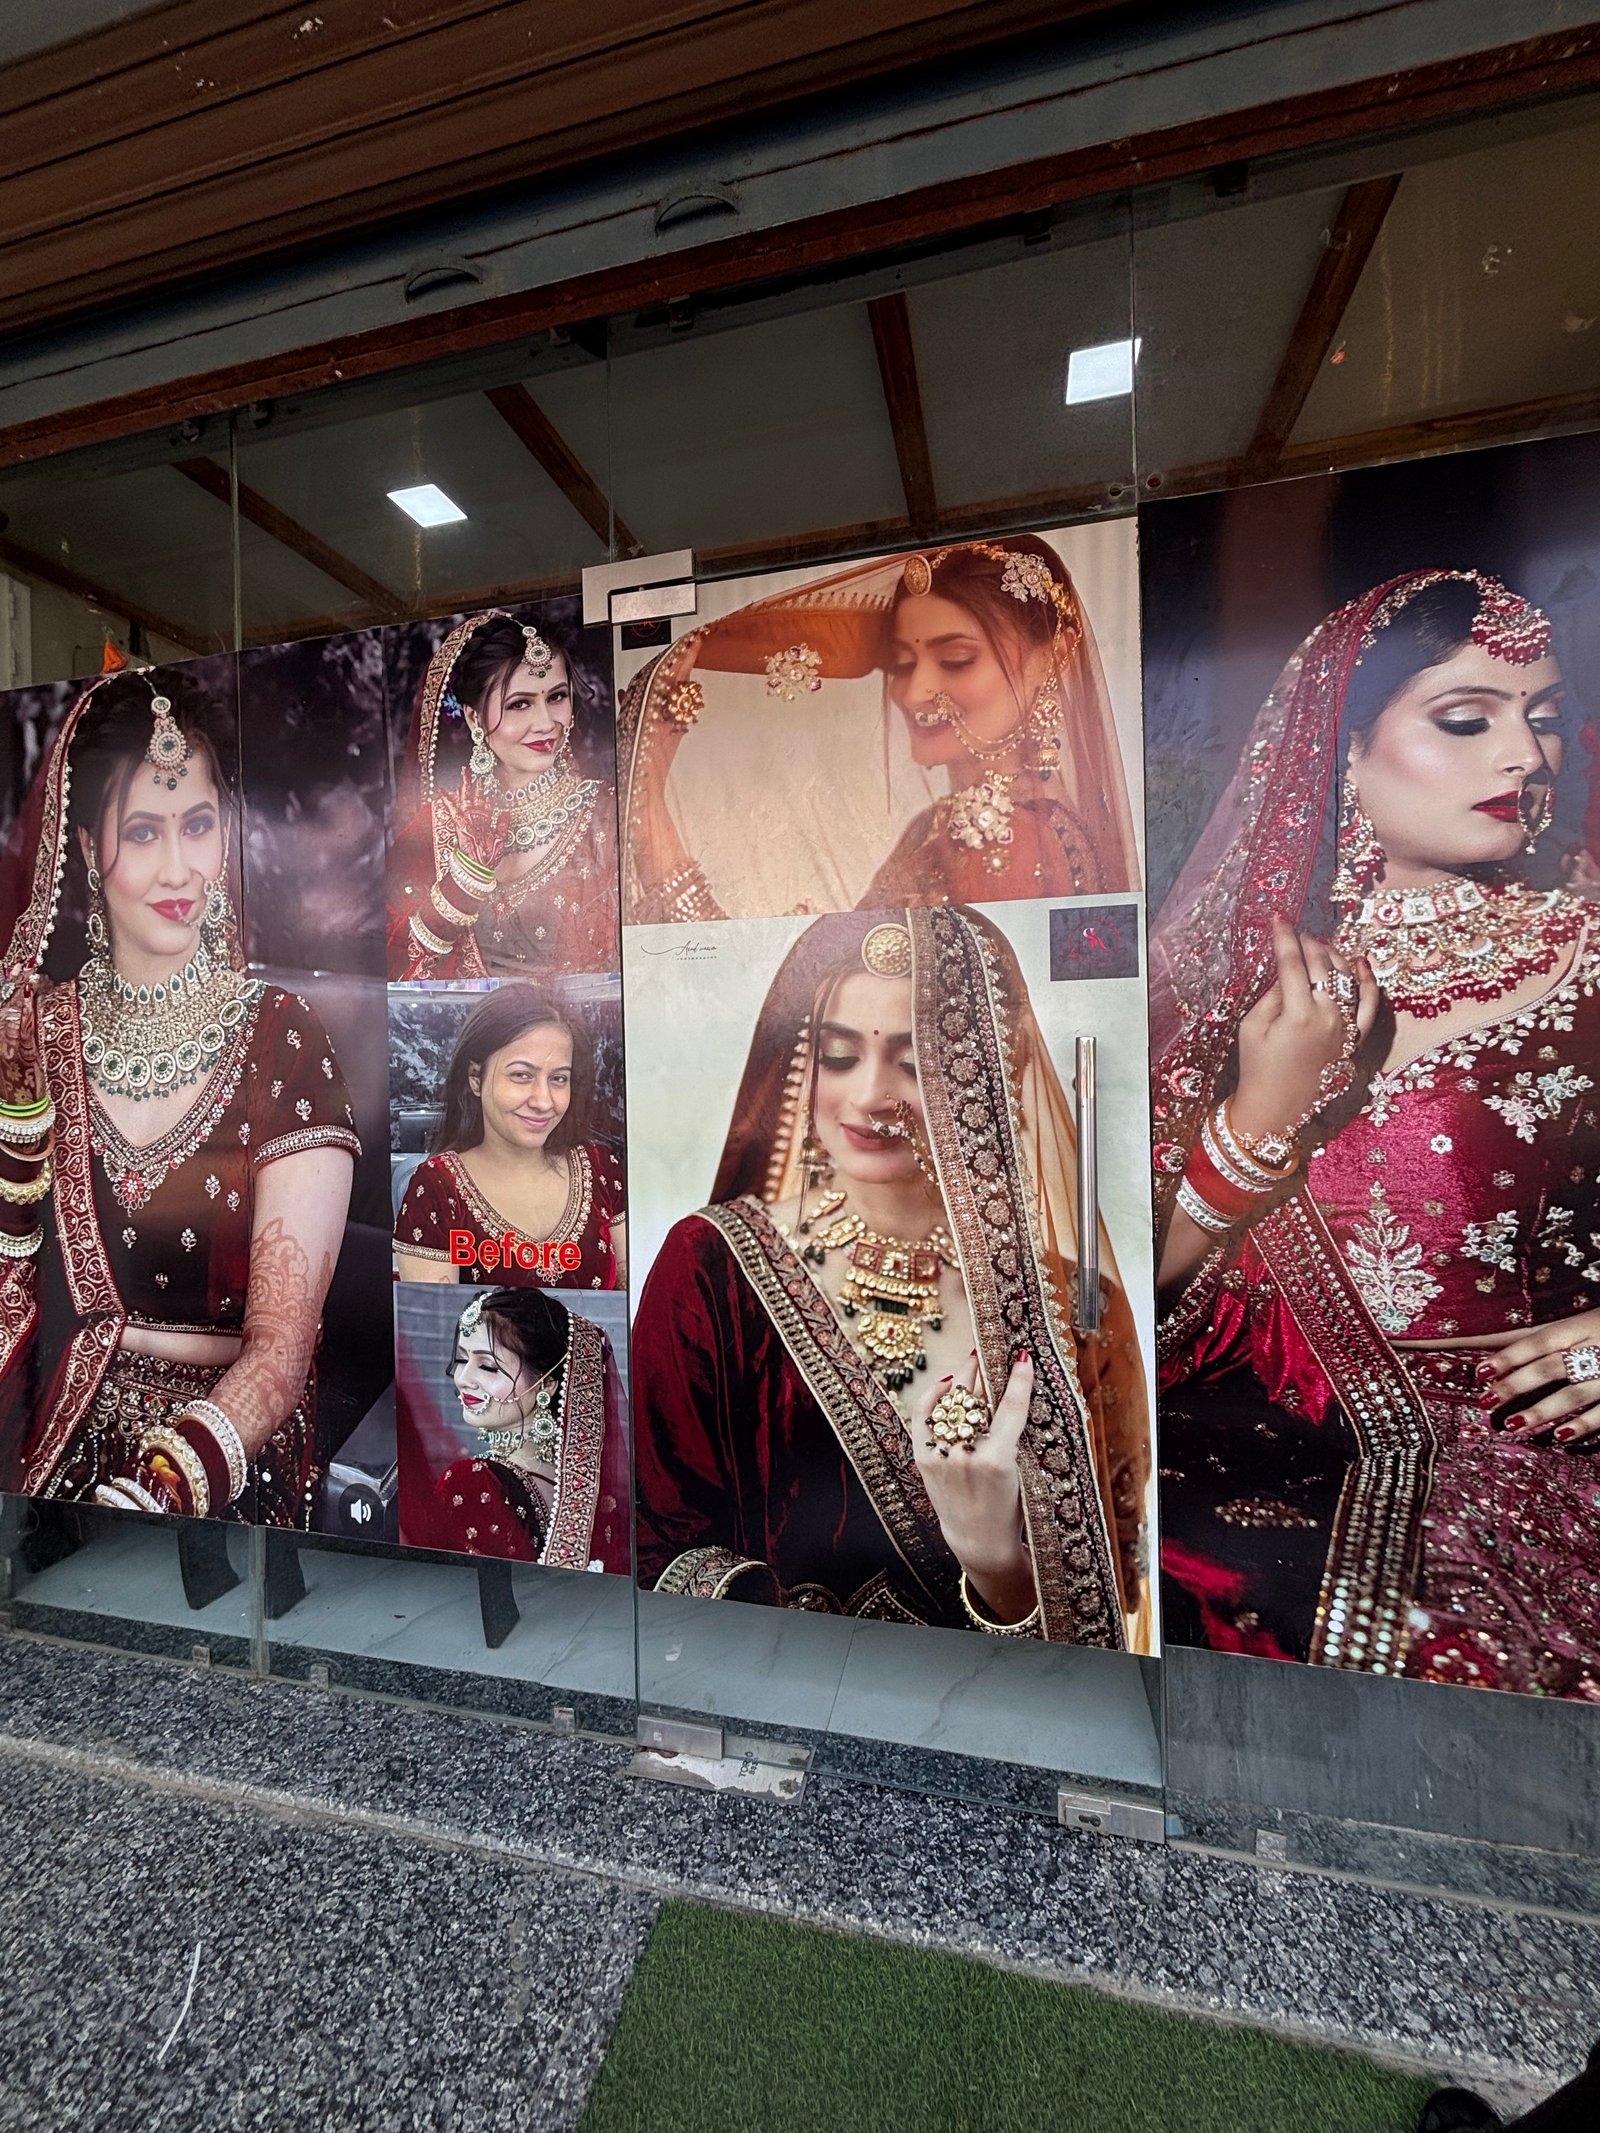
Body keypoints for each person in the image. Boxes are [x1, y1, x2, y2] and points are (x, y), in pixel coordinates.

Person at [1150, 567, 1600, 1697]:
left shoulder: (1589, 957)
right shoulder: (1230, 977)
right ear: (1340, 751)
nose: (1525, 756)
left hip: (1530, 1458)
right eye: (1467, 719)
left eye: (1544, 718)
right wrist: (1260, 1116)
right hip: (1255, 1446)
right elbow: (1111, 1284)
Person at [631, 905, 1151, 1646]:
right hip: (781, 1694)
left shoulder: (1071, 1305)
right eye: (838, 1055)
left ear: (989, 1073)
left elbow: (1111, 1599)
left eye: (914, 1063)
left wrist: (997, 1565)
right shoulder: (713, 1267)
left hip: (994, 1706)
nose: (871, 1095)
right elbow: (659, 1549)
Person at [0, 671, 359, 1524]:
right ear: (87, 847)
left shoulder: (283, 1038)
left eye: (197, 825)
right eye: (142, 832)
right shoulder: (33, 1035)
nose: (177, 869)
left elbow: (280, 1352)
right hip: (59, 1421)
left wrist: (166, 1480)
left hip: (225, 1456)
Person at [620, 536, 1140, 924]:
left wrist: (646, 809)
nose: (913, 693)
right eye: (900, 664)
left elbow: (792, 1013)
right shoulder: (948, 826)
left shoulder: (1001, 839)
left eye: (956, 659)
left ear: (1054, 656)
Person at [387, 608, 619, 980]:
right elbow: (395, 965)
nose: (546, 723)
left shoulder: (607, 816)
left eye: (557, 697)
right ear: (474, 718)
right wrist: (465, 878)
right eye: (519, 704)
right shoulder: (441, 824)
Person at [393, 984, 625, 1289]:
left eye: (558, 1079)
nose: (543, 1101)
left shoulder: (601, 1170)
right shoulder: (438, 1189)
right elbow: (436, 1316)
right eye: (521, 1075)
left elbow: (635, 1295)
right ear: (475, 1078)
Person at [398, 1286, 629, 1571]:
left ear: (546, 1384)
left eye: (488, 1366)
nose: (463, 1378)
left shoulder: (471, 1482)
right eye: (461, 1360)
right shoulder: (583, 1484)